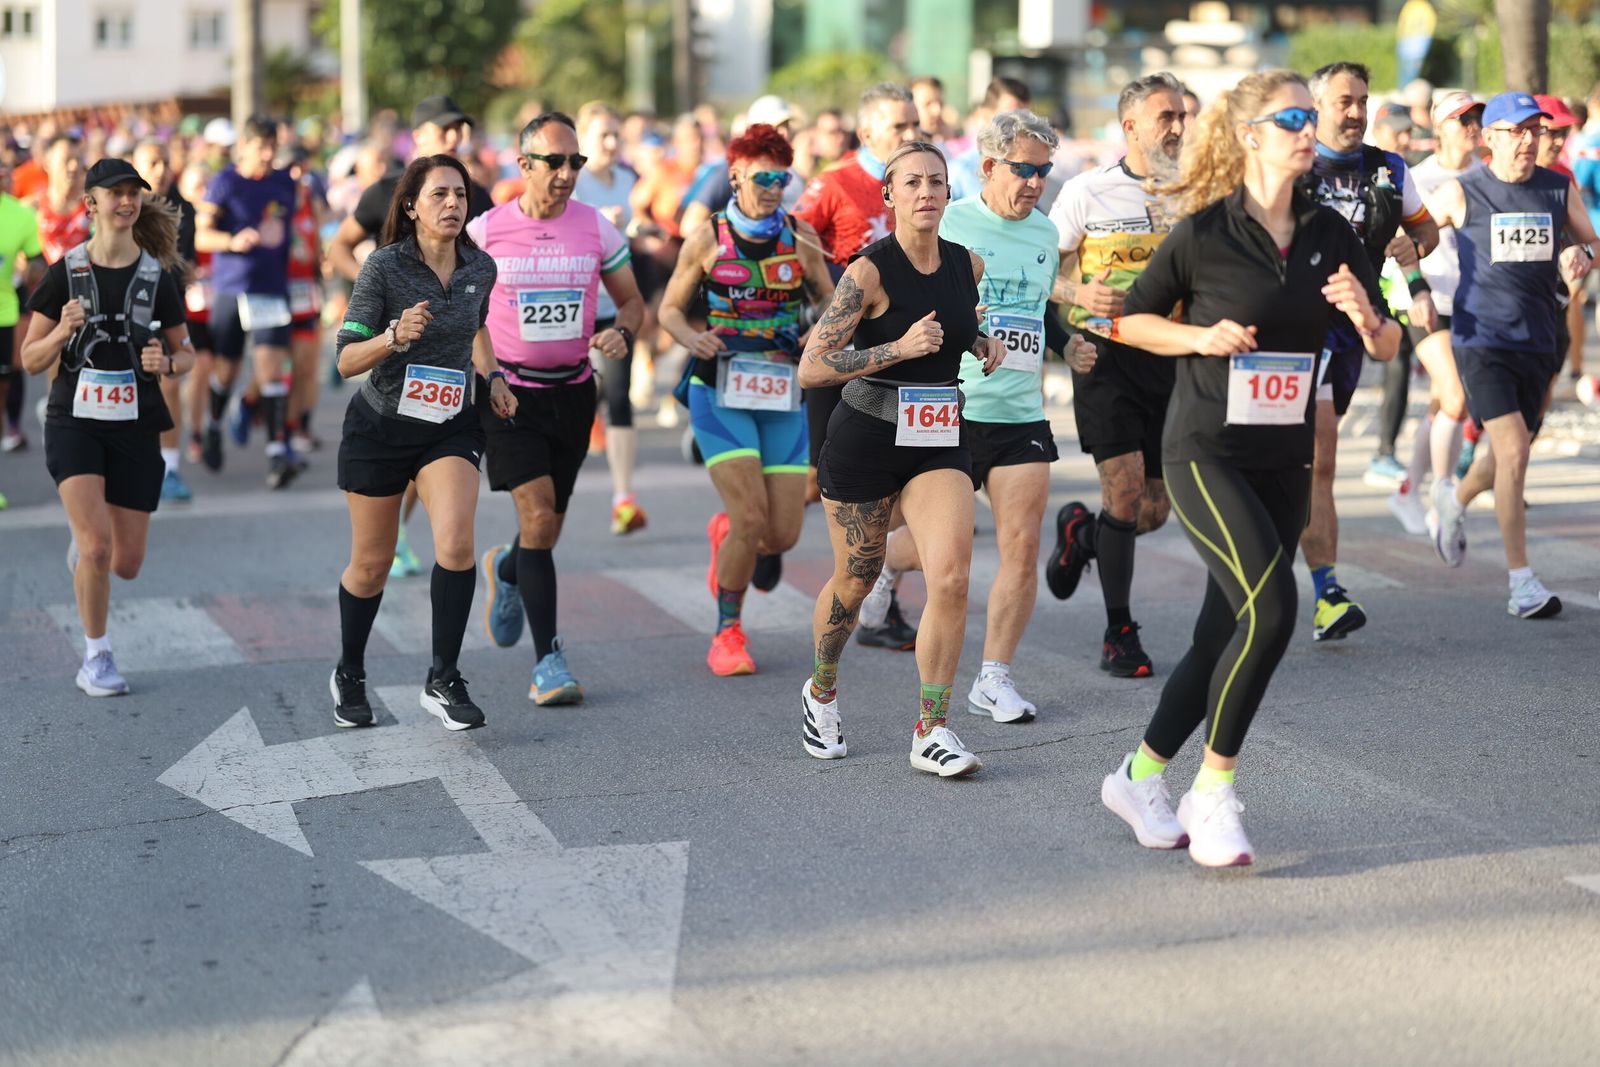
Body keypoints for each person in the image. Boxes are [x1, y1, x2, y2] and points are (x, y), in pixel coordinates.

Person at [1100, 70, 1398, 867]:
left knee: (1218, 630)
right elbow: (1129, 319)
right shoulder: (1205, 234)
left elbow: (1388, 340)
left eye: (1311, 115)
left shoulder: (1332, 234)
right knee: (1271, 610)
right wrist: (1198, 338)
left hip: (1282, 455)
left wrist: (1366, 316)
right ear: (1250, 135)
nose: (1310, 128)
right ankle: (1214, 790)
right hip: (1203, 449)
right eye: (1293, 116)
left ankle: (1137, 775)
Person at [797, 140, 1006, 777]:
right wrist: (898, 349)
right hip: (865, 436)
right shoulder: (868, 271)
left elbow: (952, 323)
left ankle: (931, 730)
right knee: (857, 580)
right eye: (911, 182)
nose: (926, 193)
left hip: (939, 435)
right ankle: (822, 691)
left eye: (937, 183)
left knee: (951, 576)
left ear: (949, 193)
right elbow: (812, 368)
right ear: (888, 196)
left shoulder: (967, 264)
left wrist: (980, 342)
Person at [330, 153, 515, 732]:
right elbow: (344, 360)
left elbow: (478, 327)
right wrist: (391, 335)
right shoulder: (384, 269)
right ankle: (349, 671)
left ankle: (442, 677)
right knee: (371, 565)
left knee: (457, 544)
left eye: (460, 194)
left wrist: (496, 377)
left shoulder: (480, 268)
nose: (453, 204)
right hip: (380, 428)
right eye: (438, 195)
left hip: (451, 424)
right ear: (411, 207)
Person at [471, 113, 645, 705]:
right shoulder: (485, 232)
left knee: (545, 529)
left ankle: (507, 569)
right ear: (524, 166)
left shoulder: (597, 229)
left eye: (577, 162)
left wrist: (622, 332)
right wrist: (486, 369)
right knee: (540, 520)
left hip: (573, 392)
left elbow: (632, 303)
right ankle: (549, 662)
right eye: (555, 161)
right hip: (509, 392)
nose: (568, 172)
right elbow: (461, 308)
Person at [658, 123, 834, 676]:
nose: (775, 187)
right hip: (721, 391)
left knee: (779, 534)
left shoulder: (801, 238)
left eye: (783, 177)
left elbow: (831, 300)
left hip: (782, 393)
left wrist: (818, 334)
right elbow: (667, 311)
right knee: (750, 515)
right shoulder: (708, 239)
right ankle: (727, 633)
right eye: (764, 177)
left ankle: (728, 535)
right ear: (735, 175)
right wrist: (693, 337)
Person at [19, 158, 196, 695]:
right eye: (114, 193)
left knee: (126, 563)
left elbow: (186, 352)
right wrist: (61, 333)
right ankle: (96, 657)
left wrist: (166, 364)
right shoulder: (66, 274)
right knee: (96, 547)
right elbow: (29, 358)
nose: (125, 201)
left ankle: (87, 555)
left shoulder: (155, 276)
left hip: (136, 423)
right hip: (74, 420)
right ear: (90, 204)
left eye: (132, 193)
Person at [943, 109, 1098, 719]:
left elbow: (1038, 312)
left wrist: (1067, 344)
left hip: (1020, 414)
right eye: (1024, 170)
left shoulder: (1041, 234)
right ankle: (879, 577)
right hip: (951, 409)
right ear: (988, 166)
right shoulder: (950, 223)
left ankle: (993, 677)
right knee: (937, 551)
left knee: (1021, 542)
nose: (1036, 183)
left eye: (1044, 171)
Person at [1427, 92, 1596, 619]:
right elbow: (1410, 238)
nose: (1528, 140)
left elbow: (1591, 242)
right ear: (1490, 137)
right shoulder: (1462, 191)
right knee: (1516, 450)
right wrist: (1409, 290)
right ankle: (1522, 582)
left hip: (1538, 340)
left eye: (1534, 130)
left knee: (1501, 457)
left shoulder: (1556, 187)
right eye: (1516, 131)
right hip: (1481, 341)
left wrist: (1580, 253)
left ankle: (1453, 501)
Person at [1046, 73, 1187, 678]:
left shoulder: (1196, 195)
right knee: (1125, 491)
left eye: (1183, 115)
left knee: (1153, 510)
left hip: (1175, 358)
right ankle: (1119, 632)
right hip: (1104, 358)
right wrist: (1079, 291)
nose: (1179, 127)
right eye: (1166, 117)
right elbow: (1036, 270)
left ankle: (1081, 534)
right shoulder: (1087, 192)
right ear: (1130, 127)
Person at [1298, 61, 1438, 641]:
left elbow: (1425, 232)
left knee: (1312, 464)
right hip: (1295, 328)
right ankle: (1326, 591)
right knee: (1319, 460)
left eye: (1362, 101)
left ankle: (1306, 580)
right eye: (1343, 101)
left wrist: (1413, 249)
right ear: (1317, 106)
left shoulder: (1388, 167)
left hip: (1358, 326)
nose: (1355, 112)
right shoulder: (1295, 163)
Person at [792, 83, 922, 649]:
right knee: (819, 484)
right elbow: (792, 230)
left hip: (908, 360)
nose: (912, 135)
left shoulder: (922, 180)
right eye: (900, 128)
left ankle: (877, 597)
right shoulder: (837, 181)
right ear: (867, 133)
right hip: (845, 355)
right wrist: (827, 296)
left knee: (903, 486)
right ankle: (756, 536)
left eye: (915, 125)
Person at [1382, 92, 1483, 537]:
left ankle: (1407, 490)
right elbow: (1400, 245)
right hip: (1425, 300)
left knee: (1443, 402)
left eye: (1478, 118)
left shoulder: (1488, 176)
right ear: (1439, 127)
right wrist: (1415, 289)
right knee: (1456, 396)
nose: (1473, 127)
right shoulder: (1420, 178)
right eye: (1463, 120)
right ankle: (1443, 494)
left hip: (1475, 303)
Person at [193, 115, 299, 487]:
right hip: (232, 288)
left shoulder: (286, 182)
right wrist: (232, 242)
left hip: (271, 288)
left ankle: (276, 453)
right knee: (227, 370)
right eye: (261, 147)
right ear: (244, 147)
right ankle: (213, 425)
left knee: (271, 370)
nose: (269, 154)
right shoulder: (225, 183)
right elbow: (201, 238)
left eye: (273, 146)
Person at [572, 102, 652, 537]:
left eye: (615, 135)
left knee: (620, 398)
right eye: (601, 135)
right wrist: (601, 223)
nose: (610, 143)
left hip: (616, 303)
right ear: (583, 138)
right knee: (580, 395)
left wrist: (641, 230)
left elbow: (636, 225)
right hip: (573, 307)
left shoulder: (628, 180)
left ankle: (623, 497)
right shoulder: (574, 182)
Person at [132, 139, 197, 504]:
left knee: (171, 383)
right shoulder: (124, 210)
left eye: (165, 162)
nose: (160, 170)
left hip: (168, 308)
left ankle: (169, 467)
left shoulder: (183, 209)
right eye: (152, 163)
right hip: (126, 310)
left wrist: (189, 272)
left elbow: (187, 262)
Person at [0, 153, 43, 507]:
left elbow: (36, 260)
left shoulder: (21, 215)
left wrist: (34, 271)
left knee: (3, 387)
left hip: (4, 311)